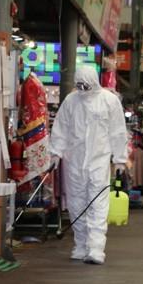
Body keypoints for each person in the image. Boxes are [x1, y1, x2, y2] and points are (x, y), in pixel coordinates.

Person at [50, 65, 128, 265]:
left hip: (99, 160)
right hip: (73, 160)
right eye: (79, 85)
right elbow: (61, 127)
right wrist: (55, 153)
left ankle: (95, 248)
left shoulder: (109, 101)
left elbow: (118, 131)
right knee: (76, 203)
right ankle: (81, 245)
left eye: (86, 84)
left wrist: (119, 159)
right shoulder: (71, 101)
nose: (83, 88)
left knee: (97, 203)